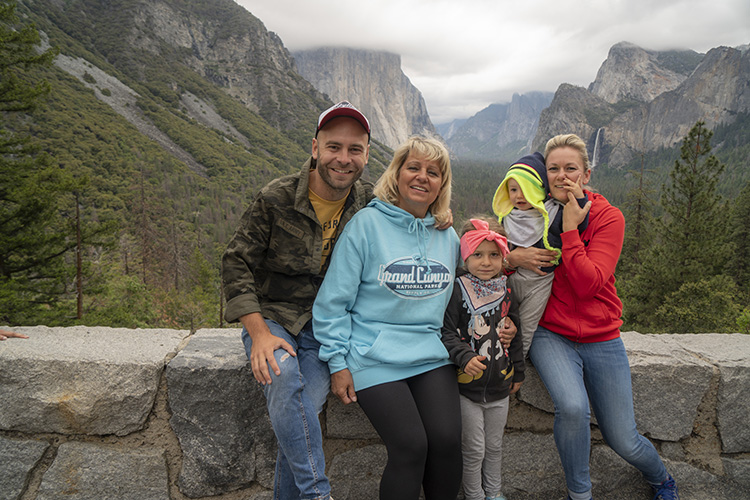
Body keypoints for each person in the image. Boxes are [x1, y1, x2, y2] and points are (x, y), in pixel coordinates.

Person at [504, 134, 679, 500]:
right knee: (572, 407)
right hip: (552, 334)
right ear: (543, 175)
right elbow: (489, 266)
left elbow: (589, 284)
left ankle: (661, 477)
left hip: (602, 336)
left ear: (586, 172)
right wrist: (510, 259)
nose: (562, 175)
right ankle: (579, 495)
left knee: (624, 439)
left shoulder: (607, 217)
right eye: (553, 169)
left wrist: (570, 229)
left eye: (571, 168)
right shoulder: (530, 215)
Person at [221, 100, 373, 500]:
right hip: (274, 317)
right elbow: (236, 264)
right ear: (315, 148)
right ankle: (317, 494)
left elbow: (419, 225)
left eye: (354, 149)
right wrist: (258, 335)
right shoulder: (276, 198)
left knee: (301, 407)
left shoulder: (372, 203)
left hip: (330, 326)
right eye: (334, 147)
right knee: (284, 377)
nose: (343, 158)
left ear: (367, 155)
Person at [312, 136, 466, 500]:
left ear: (442, 184)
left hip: (429, 353)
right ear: (397, 174)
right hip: (371, 355)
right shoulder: (366, 226)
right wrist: (337, 362)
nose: (422, 177)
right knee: (411, 446)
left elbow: (469, 291)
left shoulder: (448, 236)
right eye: (413, 167)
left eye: (433, 172)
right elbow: (333, 302)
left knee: (446, 443)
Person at [440, 216, 525, 500]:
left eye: (493, 255)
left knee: (495, 445)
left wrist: (519, 373)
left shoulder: (506, 290)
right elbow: (447, 332)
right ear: (465, 255)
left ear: (503, 257)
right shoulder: (457, 290)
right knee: (474, 448)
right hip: (467, 389)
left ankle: (495, 492)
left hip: (500, 387)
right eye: (477, 254)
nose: (486, 262)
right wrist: (464, 357)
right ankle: (475, 494)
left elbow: (516, 331)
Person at [491, 152, 588, 356]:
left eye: (526, 190)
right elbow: (494, 256)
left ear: (539, 189)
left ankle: (518, 366)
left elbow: (578, 223)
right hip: (510, 281)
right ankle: (496, 363)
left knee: (527, 326)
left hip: (540, 283)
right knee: (499, 324)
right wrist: (509, 261)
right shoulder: (507, 218)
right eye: (513, 190)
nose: (519, 196)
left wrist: (579, 197)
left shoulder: (554, 213)